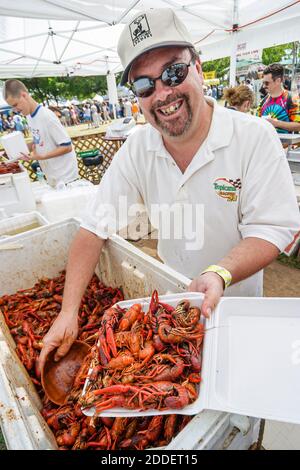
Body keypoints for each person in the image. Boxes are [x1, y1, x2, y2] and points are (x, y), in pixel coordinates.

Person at [38, 8, 300, 370]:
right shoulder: (137, 148)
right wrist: (68, 312)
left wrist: (219, 272)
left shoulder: (254, 137)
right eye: (145, 84)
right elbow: (92, 226)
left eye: (173, 72)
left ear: (197, 66)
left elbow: (273, 229)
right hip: (172, 310)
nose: (162, 93)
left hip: (237, 307)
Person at [3, 80, 79, 187]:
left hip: (66, 178)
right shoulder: (29, 116)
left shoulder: (47, 116)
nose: (15, 110)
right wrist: (12, 151)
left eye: (15, 104)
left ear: (24, 95)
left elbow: (67, 147)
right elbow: (39, 140)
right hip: (53, 177)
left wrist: (40, 156)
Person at [257, 63, 300, 134]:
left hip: (285, 145)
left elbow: (298, 125)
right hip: (266, 144)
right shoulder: (263, 102)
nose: (264, 86)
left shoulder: (292, 99)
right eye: (263, 83)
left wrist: (277, 123)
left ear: (278, 81)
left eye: (267, 83)